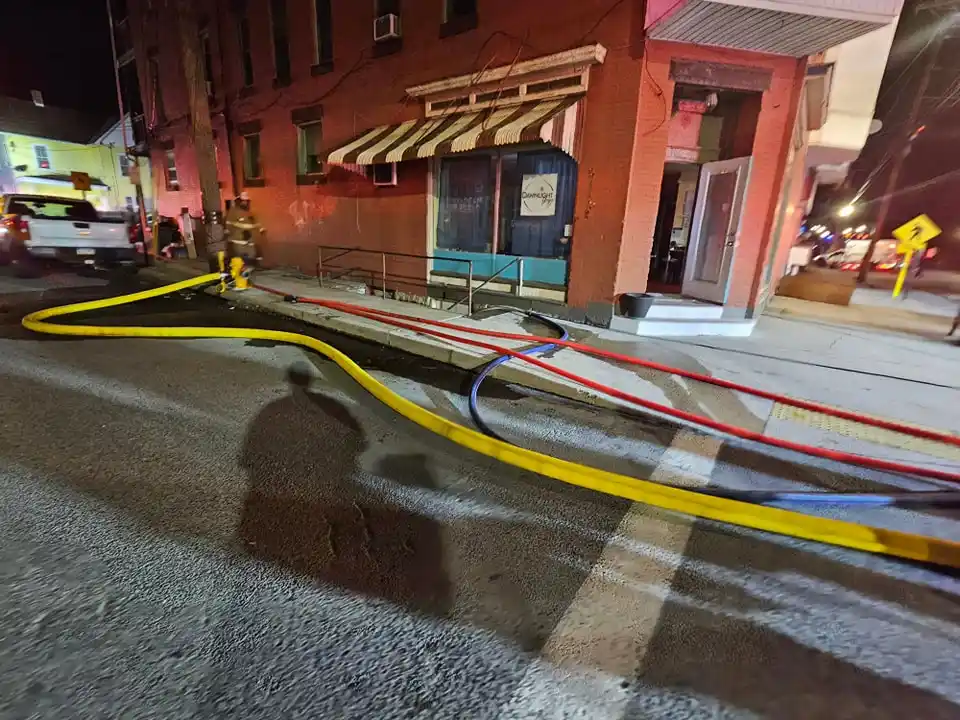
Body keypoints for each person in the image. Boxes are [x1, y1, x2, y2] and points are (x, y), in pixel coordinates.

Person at [224, 191, 262, 265]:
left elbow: (255, 224)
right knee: (239, 263)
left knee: (251, 262)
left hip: (250, 243)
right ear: (238, 201)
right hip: (238, 243)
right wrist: (251, 226)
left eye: (246, 201)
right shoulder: (233, 211)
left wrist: (259, 229)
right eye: (243, 201)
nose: (245, 202)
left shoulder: (249, 212)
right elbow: (231, 224)